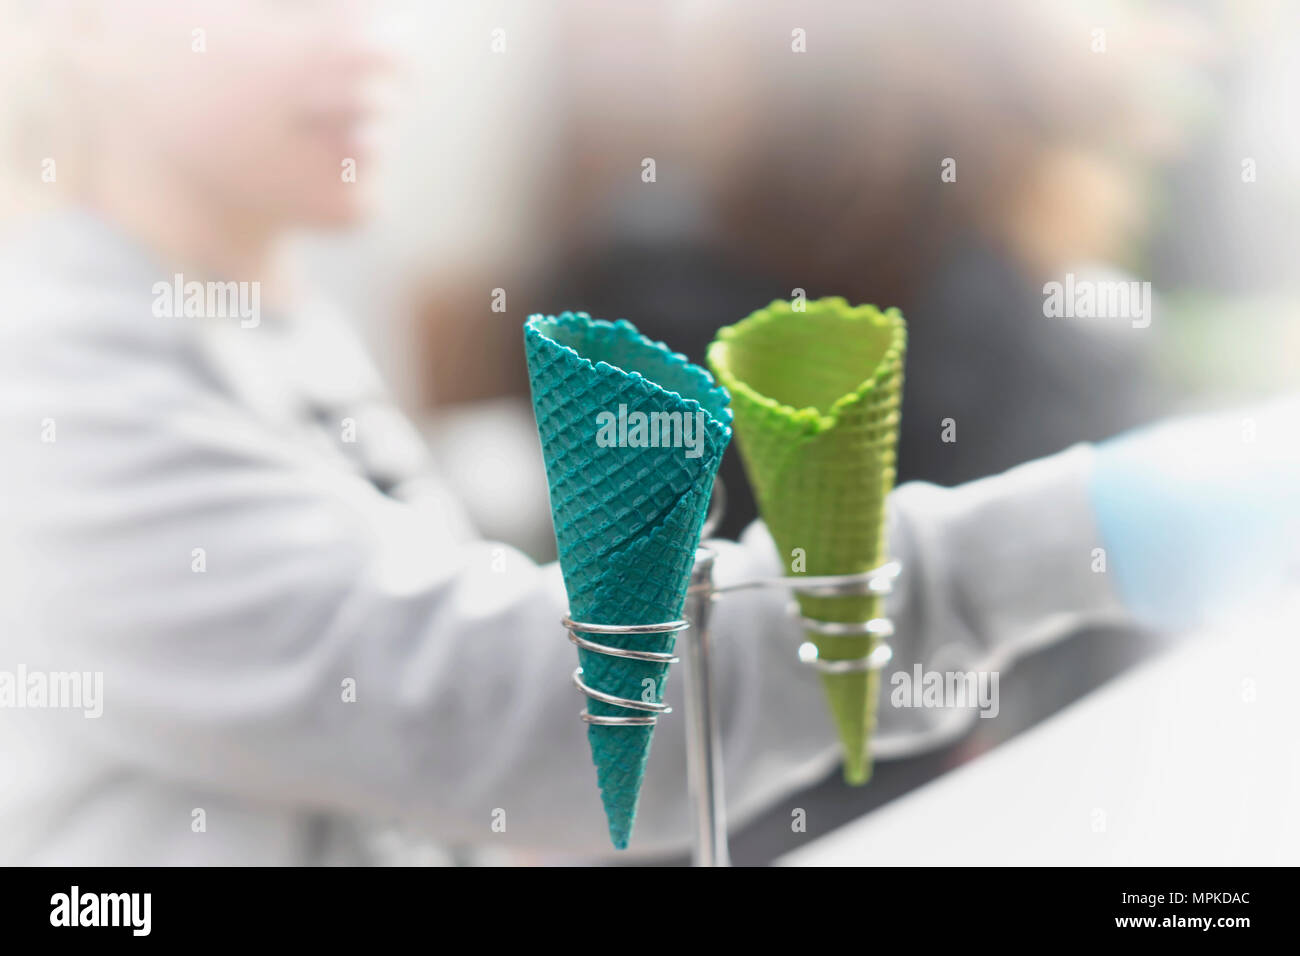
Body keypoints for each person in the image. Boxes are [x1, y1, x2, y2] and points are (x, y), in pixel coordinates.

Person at [1, 0, 1293, 865]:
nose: (375, 45)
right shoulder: (51, 384)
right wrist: (1086, 531)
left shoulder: (260, 330)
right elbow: (524, 719)